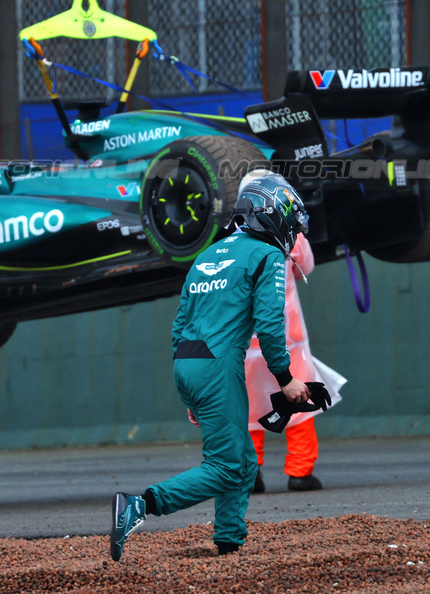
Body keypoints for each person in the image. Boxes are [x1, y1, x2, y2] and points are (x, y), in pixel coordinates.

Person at [110, 173, 318, 561]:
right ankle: (139, 505)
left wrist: (192, 389)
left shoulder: (208, 254)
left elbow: (179, 325)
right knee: (226, 467)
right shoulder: (268, 256)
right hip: (219, 368)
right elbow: (272, 326)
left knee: (240, 461)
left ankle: (228, 542)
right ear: (271, 214)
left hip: (188, 364)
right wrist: (287, 379)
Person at [243, 175, 338, 493]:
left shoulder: (231, 238)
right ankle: (300, 472)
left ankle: (249, 473)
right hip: (288, 338)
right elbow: (305, 267)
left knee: (249, 407)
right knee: (301, 396)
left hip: (245, 342)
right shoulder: (288, 235)